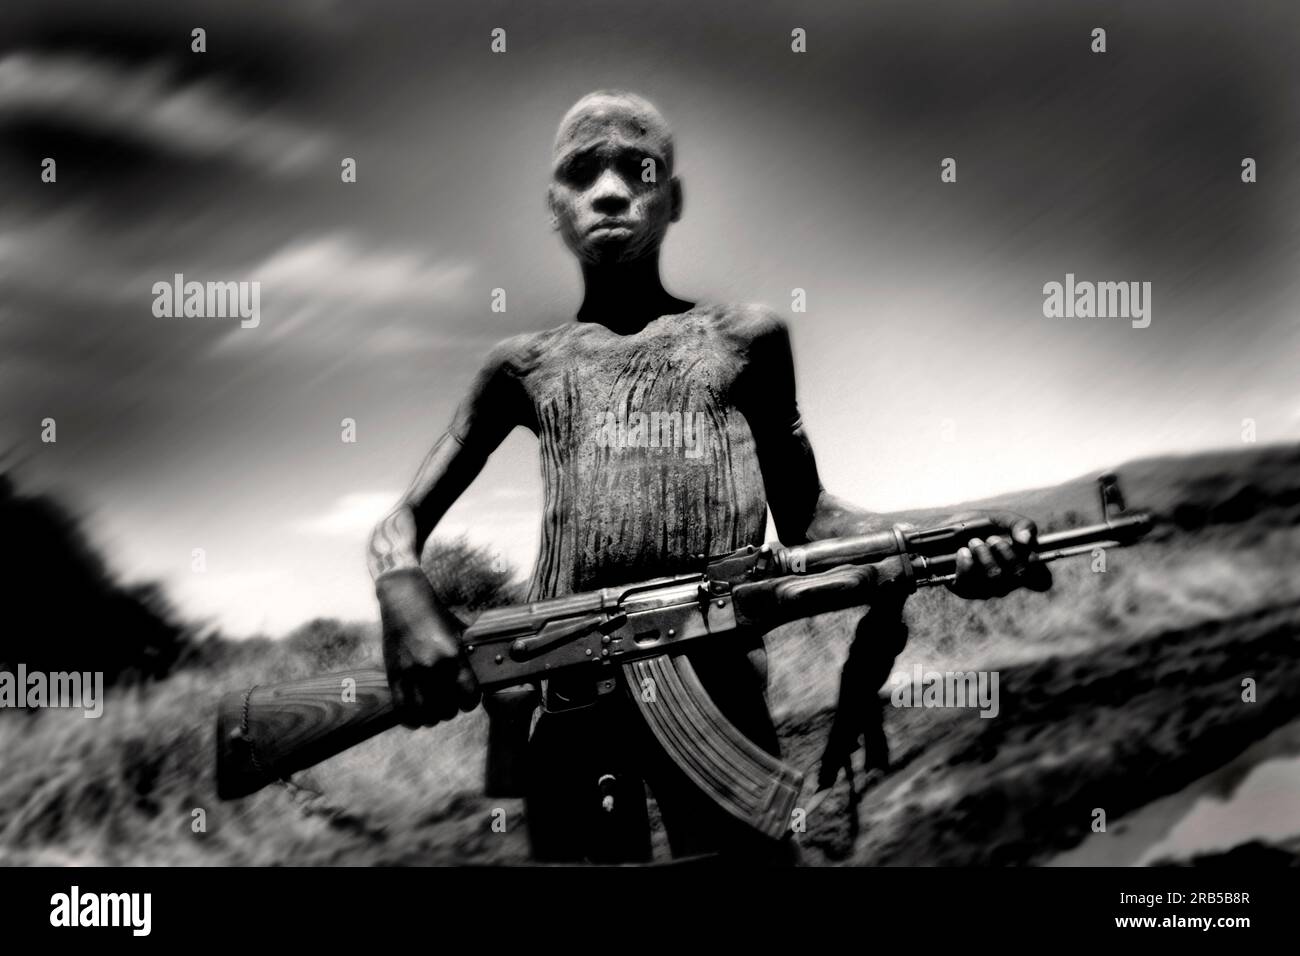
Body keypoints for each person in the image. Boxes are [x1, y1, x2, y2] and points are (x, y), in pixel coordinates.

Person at [366, 90, 1050, 863]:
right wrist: (402, 593)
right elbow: (398, 529)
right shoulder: (522, 366)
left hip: (718, 701)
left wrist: (950, 548)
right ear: (552, 207)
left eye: (639, 167)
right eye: (581, 172)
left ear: (674, 196)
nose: (612, 189)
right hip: (566, 706)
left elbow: (810, 518)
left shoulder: (745, 340)